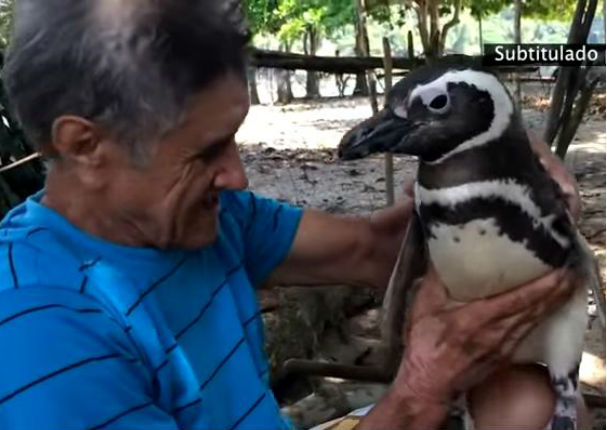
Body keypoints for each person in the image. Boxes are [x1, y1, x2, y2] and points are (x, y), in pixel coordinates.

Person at [0, 1, 583, 429]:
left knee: (528, 404)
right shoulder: (42, 334)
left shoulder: (204, 218)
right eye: (206, 151)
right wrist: (418, 393)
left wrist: (493, 155)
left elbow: (373, 251)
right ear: (84, 146)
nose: (237, 176)